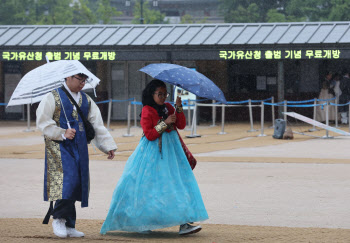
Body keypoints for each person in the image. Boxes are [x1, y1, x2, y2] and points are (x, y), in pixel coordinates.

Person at [100, 79, 208, 236]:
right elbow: (149, 135)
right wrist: (164, 123)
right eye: (160, 94)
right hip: (152, 152)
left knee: (176, 184)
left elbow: (182, 125)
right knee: (148, 186)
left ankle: (184, 222)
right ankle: (141, 221)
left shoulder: (169, 107)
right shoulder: (147, 110)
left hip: (172, 151)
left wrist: (178, 107)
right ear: (152, 94)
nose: (163, 97)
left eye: (165, 94)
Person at [36, 73, 118, 238]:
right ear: (67, 78)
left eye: (84, 80)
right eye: (79, 79)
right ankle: (58, 218)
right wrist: (62, 132)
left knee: (77, 183)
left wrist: (107, 145)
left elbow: (96, 124)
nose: (82, 83)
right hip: (59, 147)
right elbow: (43, 121)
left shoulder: (86, 100)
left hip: (79, 145)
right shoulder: (52, 97)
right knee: (68, 181)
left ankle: (69, 223)